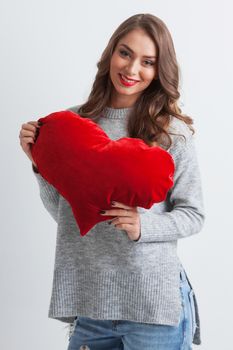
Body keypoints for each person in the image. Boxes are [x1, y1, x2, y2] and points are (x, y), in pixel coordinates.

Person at [19, 13, 205, 350]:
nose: (133, 70)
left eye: (148, 62)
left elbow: (194, 215)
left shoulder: (172, 133)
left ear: (159, 70)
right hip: (91, 305)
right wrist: (38, 164)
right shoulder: (69, 126)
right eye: (125, 53)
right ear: (110, 54)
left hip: (152, 307)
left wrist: (142, 226)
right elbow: (67, 214)